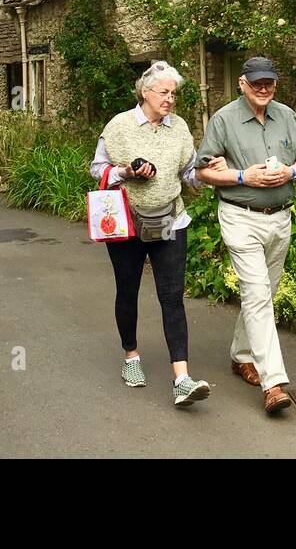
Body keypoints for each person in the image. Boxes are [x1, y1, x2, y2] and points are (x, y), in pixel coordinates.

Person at [90, 60, 224, 408]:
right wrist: (126, 171)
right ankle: (131, 357)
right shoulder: (119, 126)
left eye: (174, 93)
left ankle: (182, 378)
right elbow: (97, 169)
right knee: (128, 290)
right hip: (129, 223)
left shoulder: (178, 128)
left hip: (169, 220)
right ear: (144, 92)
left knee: (172, 296)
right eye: (164, 92)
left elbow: (188, 174)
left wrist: (208, 171)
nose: (170, 99)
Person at [196, 57, 296, 414]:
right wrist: (245, 177)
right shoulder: (224, 120)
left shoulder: (288, 116)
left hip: (280, 218)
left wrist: (291, 172)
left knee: (264, 294)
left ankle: (241, 355)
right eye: (257, 83)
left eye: (269, 83)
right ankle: (273, 383)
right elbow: (202, 171)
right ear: (242, 84)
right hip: (240, 217)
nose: (264, 88)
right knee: (258, 293)